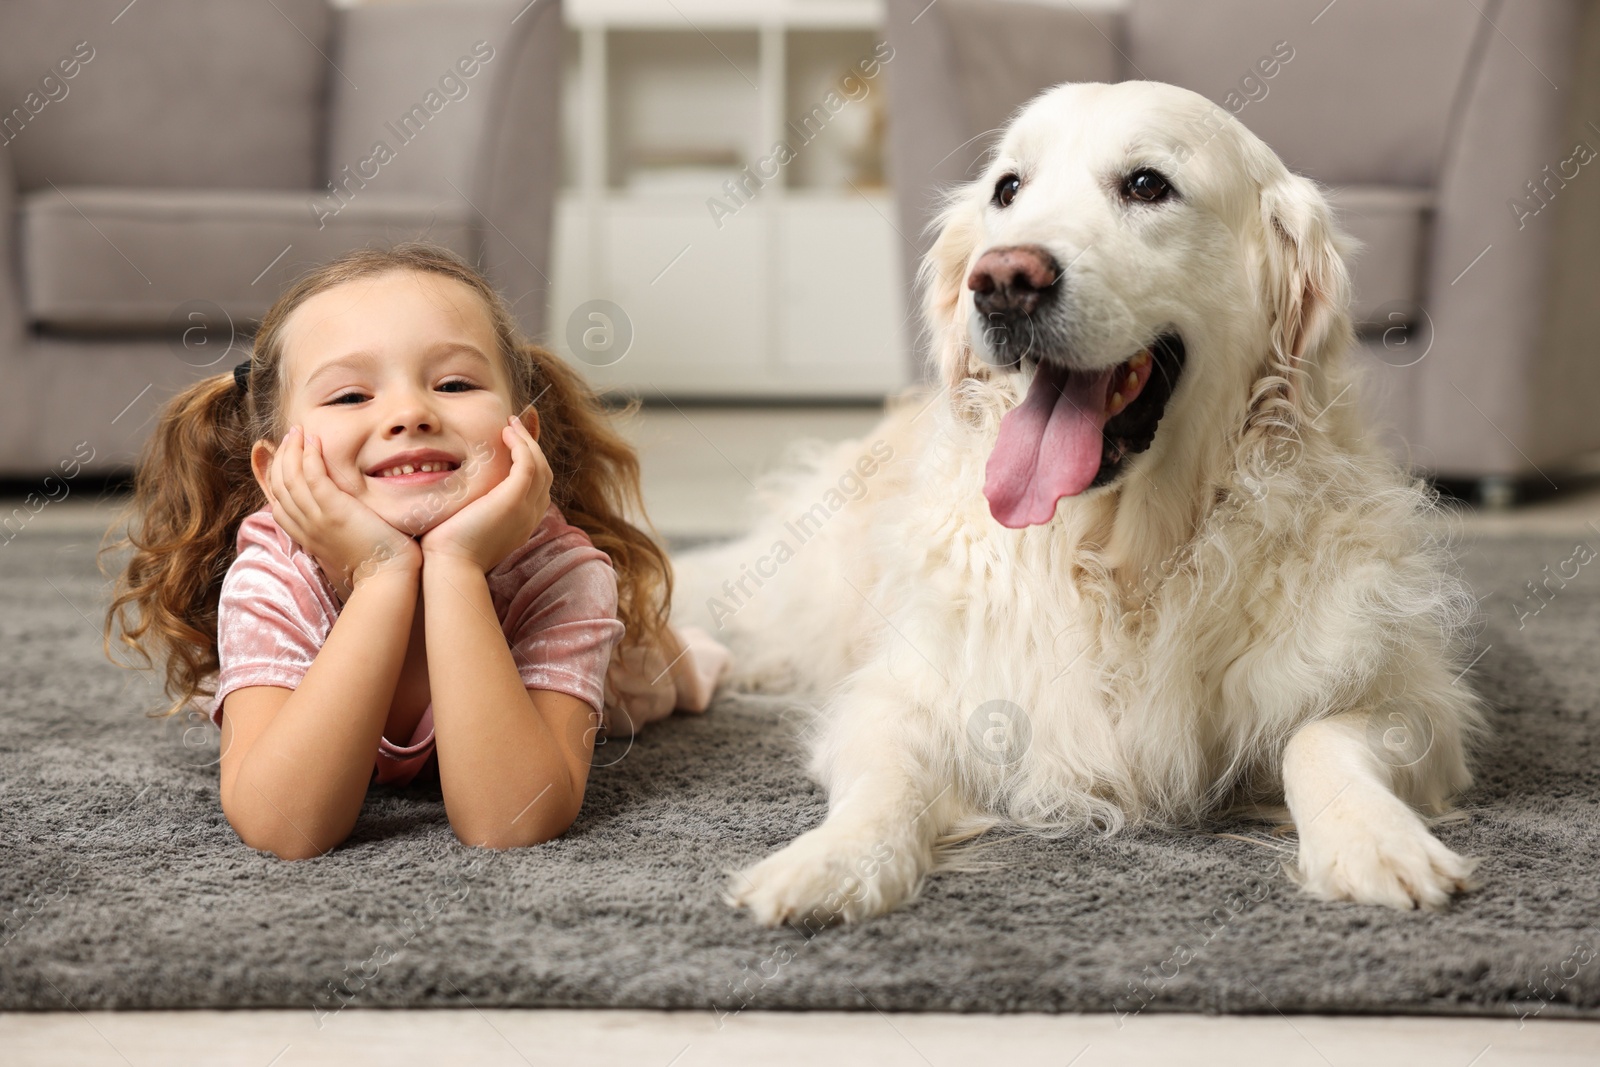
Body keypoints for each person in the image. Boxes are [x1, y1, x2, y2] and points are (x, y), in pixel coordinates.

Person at [103, 243, 730, 859]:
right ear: (274, 469)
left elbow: (509, 821)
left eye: (454, 383)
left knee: (668, 667)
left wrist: (455, 564)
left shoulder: (563, 576)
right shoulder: (274, 573)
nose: (410, 413)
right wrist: (383, 574)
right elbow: (285, 827)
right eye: (351, 396)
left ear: (524, 435)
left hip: (625, 669)